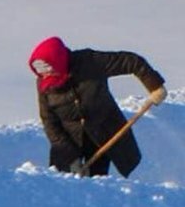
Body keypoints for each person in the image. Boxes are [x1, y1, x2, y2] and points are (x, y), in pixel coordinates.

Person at [28, 36, 167, 177]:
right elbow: (49, 121)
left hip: (103, 133)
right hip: (68, 141)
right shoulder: (44, 83)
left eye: (48, 67)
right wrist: (70, 157)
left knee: (99, 182)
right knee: (64, 189)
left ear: (58, 60)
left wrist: (154, 86)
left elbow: (131, 61)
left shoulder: (90, 62)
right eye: (40, 70)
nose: (45, 74)